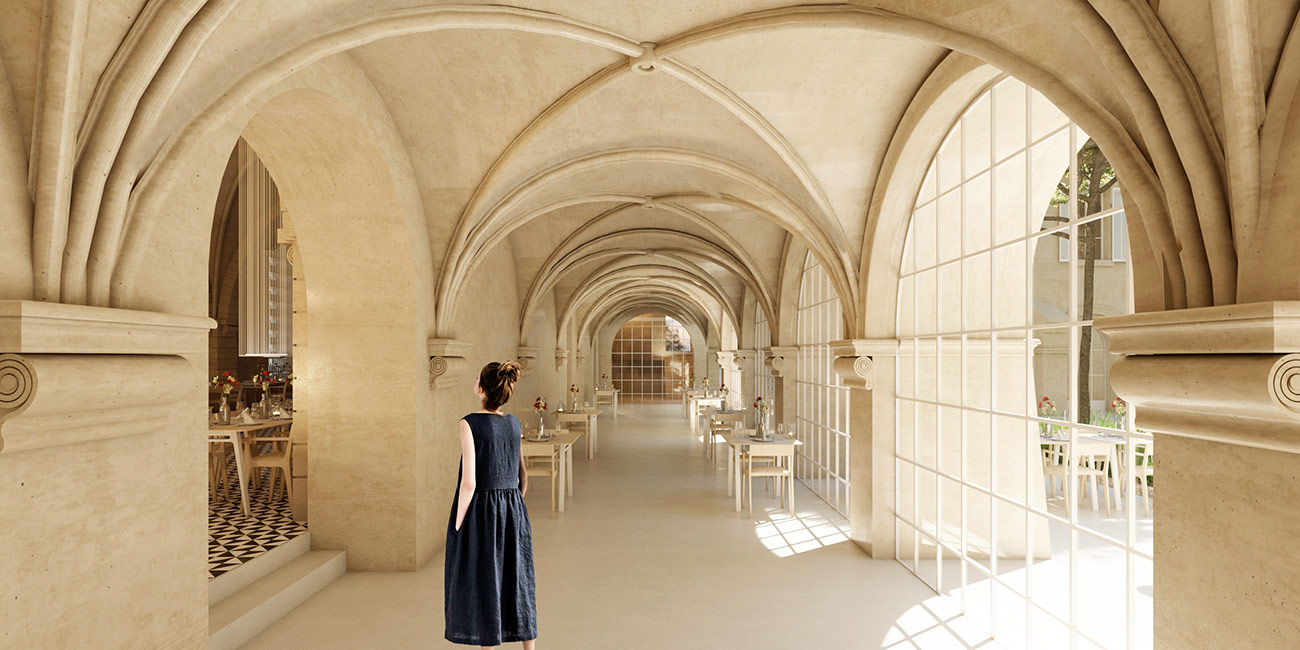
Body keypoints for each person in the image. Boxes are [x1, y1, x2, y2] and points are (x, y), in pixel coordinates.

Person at [445, 360, 538, 649]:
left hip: (482, 512)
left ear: (482, 388)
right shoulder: (514, 422)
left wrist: (458, 522)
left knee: (486, 579)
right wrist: (513, 506)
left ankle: (490, 641)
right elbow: (523, 477)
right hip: (513, 509)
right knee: (518, 579)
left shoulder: (469, 423)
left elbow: (469, 482)